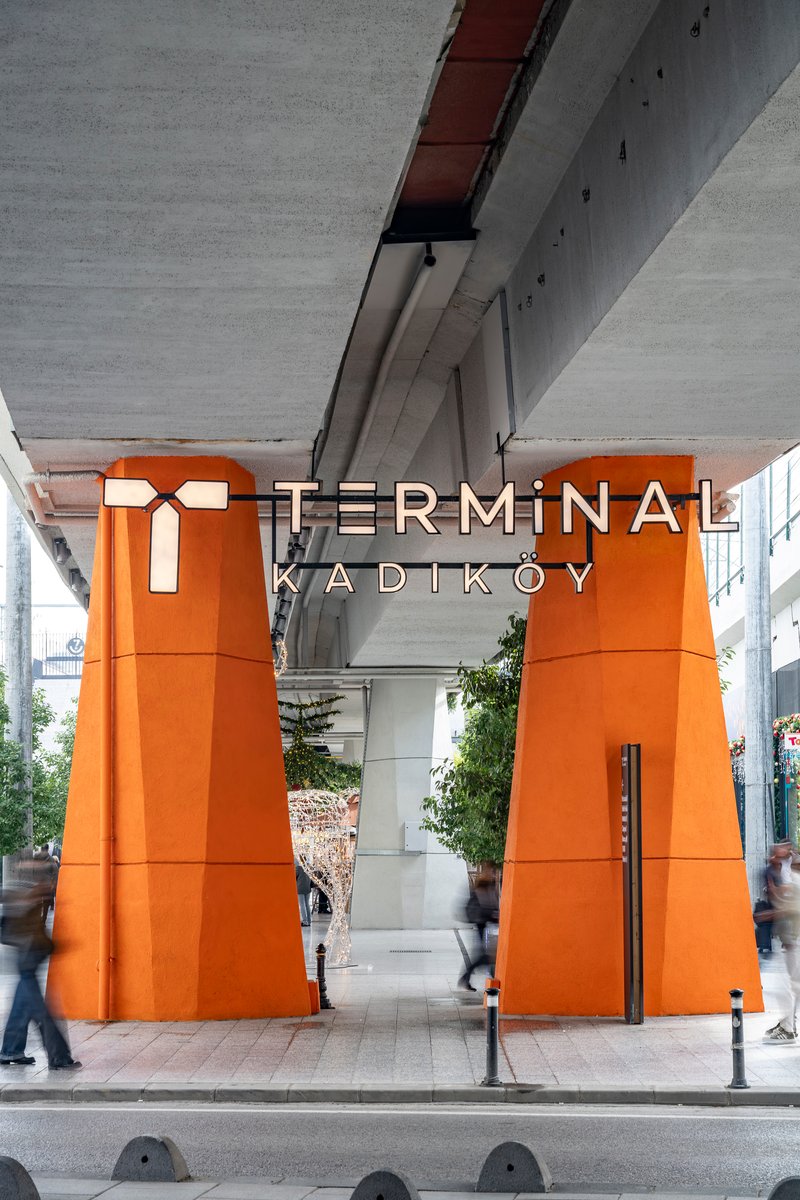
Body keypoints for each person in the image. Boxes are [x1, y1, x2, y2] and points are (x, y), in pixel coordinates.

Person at [0, 866, 81, 1069]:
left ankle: (11, 1050)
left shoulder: (30, 897)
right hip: (28, 960)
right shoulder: (27, 896)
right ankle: (59, 1058)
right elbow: (28, 932)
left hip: (28, 960)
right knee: (42, 1013)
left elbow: (32, 930)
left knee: (21, 1007)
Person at [763, 843, 800, 1044]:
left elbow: (791, 909)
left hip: (793, 941)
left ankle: (788, 1028)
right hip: (791, 939)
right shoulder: (793, 880)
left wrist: (767, 914)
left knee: (787, 986)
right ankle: (789, 1024)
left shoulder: (795, 882)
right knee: (791, 985)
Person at [457, 862, 500, 992]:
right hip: (481, 924)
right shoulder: (483, 885)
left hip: (485, 924)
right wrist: (495, 916)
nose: (493, 874)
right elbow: (487, 906)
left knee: (484, 954)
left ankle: (467, 978)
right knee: (484, 956)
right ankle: (467, 978)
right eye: (492, 872)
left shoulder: (487, 885)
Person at [295, 858, 312, 927]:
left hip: (300, 888)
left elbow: (294, 876)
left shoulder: (298, 868)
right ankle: (309, 920)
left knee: (302, 905)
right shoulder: (309, 867)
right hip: (308, 888)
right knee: (307, 904)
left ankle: (304, 921)